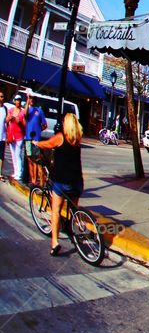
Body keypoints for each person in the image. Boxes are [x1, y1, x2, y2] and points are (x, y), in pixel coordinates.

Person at [32, 112, 85, 256]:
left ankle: (54, 243)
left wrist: (36, 143)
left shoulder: (60, 137)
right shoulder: (77, 139)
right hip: (77, 182)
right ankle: (73, 226)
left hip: (62, 182)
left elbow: (47, 144)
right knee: (73, 208)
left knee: (55, 210)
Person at [24, 93, 47, 186]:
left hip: (36, 139)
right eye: (30, 98)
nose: (32, 100)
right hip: (28, 138)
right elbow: (25, 114)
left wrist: (38, 130)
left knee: (36, 160)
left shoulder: (39, 111)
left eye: (33, 98)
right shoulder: (28, 110)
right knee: (29, 159)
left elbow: (45, 125)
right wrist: (27, 99)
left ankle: (38, 181)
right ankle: (33, 180)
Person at [6, 94, 26, 184]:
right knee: (13, 154)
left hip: (19, 136)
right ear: (14, 101)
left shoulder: (22, 112)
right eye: (16, 100)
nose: (18, 102)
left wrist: (20, 121)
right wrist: (9, 118)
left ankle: (19, 173)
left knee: (18, 154)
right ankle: (15, 172)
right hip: (11, 135)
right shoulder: (11, 110)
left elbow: (25, 124)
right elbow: (6, 120)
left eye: (19, 100)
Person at [0, 91, 8, 182]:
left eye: (2, 96)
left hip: (2, 137)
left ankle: (0, 173)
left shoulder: (5, 109)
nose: (0, 98)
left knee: (1, 156)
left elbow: (7, 123)